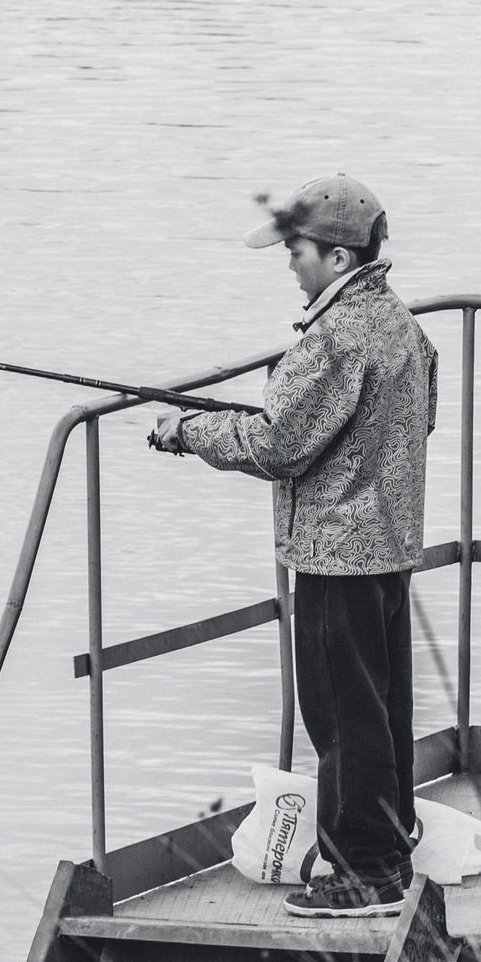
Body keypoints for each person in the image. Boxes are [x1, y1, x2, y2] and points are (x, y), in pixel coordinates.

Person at [148, 174, 438, 917]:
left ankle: (367, 872)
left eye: (296, 251)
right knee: (381, 704)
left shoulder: (335, 336)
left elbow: (278, 444)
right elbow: (410, 415)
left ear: (338, 258)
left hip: (336, 554)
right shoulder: (399, 323)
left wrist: (188, 431)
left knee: (341, 715)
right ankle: (394, 831)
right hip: (389, 546)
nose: (288, 264)